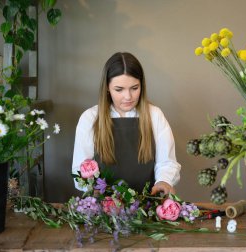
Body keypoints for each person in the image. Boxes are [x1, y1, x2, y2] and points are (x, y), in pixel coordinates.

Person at [72, 52, 181, 195]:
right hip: (103, 207)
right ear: (107, 87)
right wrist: (91, 188)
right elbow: (80, 169)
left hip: (147, 204)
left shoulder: (154, 115)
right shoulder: (90, 118)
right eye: (119, 89)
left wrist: (164, 181)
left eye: (134, 88)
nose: (128, 96)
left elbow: (167, 162)